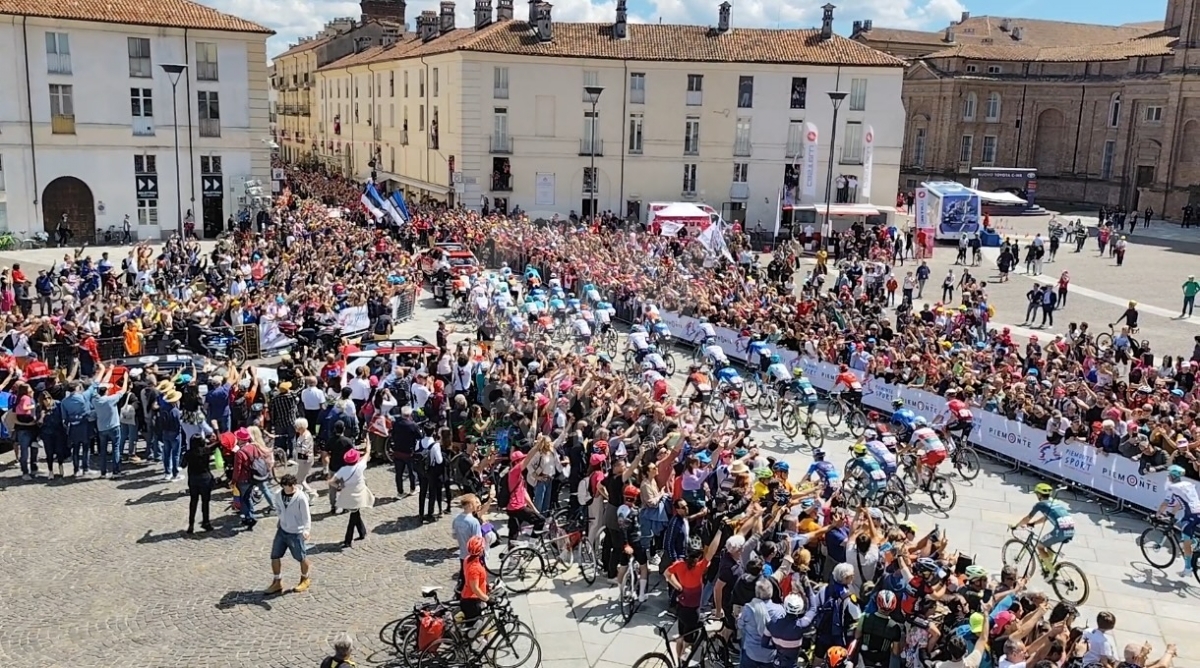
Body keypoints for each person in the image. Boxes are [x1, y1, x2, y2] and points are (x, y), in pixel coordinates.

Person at [664, 530, 721, 661]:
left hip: (681, 608)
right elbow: (711, 552)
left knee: (681, 635)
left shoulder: (679, 565)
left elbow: (667, 573)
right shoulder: (700, 567)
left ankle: (678, 661)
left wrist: (678, 586)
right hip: (693, 610)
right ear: (699, 555)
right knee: (689, 641)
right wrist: (718, 532)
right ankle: (684, 658)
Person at [265, 473, 312, 594]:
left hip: (296, 532)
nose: (288, 489)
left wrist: (306, 530)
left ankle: (305, 578)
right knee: (275, 555)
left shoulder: (301, 497)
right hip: (282, 530)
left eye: (290, 486)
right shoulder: (278, 494)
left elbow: (306, 516)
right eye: (285, 486)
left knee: (301, 557)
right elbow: (278, 507)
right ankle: (277, 582)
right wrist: (281, 518)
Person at [1012, 482, 1074, 572]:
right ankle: (1049, 561)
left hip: (1060, 531)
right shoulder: (1054, 502)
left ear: (1039, 495)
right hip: (1070, 528)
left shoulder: (1040, 504)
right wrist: (1033, 523)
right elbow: (1046, 518)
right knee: (1048, 543)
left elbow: (1027, 518)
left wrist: (1016, 526)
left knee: (1040, 546)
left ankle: (1051, 572)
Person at [1156, 465, 1200, 576]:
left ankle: (1188, 568)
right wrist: (1172, 513)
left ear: (1171, 476)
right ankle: (1195, 543)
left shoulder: (1173, 488)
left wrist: (1158, 513)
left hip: (1192, 515)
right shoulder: (1187, 484)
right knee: (1180, 524)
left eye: (1168, 475)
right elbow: (1181, 502)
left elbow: (1166, 503)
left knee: (1185, 542)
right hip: (1196, 512)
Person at [332, 448, 374, 548]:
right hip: (359, 495)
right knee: (354, 515)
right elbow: (367, 452)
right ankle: (348, 539)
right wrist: (368, 442)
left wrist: (339, 487)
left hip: (348, 496)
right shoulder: (360, 467)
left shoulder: (342, 470)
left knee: (355, 513)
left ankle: (361, 532)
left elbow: (332, 481)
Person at [182, 434, 216, 534]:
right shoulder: (206, 451)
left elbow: (182, 465)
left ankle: (191, 524)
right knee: (205, 502)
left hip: (193, 479)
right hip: (205, 478)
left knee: (193, 501)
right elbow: (216, 444)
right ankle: (206, 522)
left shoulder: (188, 453)